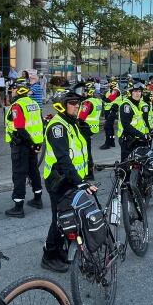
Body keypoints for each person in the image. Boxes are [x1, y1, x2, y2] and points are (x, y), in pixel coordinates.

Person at [42, 89, 92, 272]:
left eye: (78, 104)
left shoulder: (71, 123)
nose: (77, 106)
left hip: (70, 179)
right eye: (72, 103)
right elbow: (63, 158)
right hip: (59, 181)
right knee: (58, 220)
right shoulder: (58, 127)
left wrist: (85, 176)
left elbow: (80, 153)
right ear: (61, 106)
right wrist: (80, 181)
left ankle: (60, 251)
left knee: (68, 219)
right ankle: (49, 256)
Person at [4, 80, 44, 217]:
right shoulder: (34, 104)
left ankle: (18, 206)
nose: (11, 92)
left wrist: (29, 143)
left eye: (13, 90)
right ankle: (38, 199)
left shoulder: (17, 106)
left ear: (18, 91)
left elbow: (20, 128)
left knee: (19, 174)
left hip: (21, 145)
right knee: (33, 171)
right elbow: (39, 123)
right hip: (33, 143)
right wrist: (36, 143)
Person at [117, 82, 151, 162]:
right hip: (128, 140)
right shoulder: (127, 105)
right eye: (135, 91)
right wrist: (142, 135)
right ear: (131, 93)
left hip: (137, 139)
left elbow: (141, 122)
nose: (137, 94)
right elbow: (126, 125)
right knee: (126, 165)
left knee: (139, 163)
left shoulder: (137, 104)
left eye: (139, 91)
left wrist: (147, 132)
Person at [77, 81, 103, 170]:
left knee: (85, 150)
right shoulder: (97, 101)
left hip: (85, 127)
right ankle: (90, 166)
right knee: (87, 148)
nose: (82, 93)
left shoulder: (87, 103)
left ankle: (89, 171)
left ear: (89, 92)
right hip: (93, 127)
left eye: (84, 91)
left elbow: (81, 118)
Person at [101, 79, 121, 150]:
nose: (109, 84)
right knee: (111, 127)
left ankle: (107, 143)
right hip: (108, 110)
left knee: (107, 127)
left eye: (110, 84)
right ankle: (112, 141)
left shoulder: (116, 90)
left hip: (112, 110)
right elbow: (107, 99)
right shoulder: (111, 91)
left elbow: (109, 99)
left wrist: (103, 97)